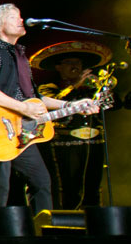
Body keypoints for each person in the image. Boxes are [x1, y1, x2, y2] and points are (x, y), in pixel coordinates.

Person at [0, 5, 98, 214]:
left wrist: (70, 106)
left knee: (41, 181)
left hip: (21, 130)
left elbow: (35, 98)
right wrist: (23, 107)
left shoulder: (20, 57)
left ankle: (42, 232)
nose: (21, 20)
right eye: (14, 17)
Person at [32, 41, 116, 209]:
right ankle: (68, 220)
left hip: (94, 143)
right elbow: (48, 106)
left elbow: (114, 105)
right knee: (68, 187)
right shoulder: (49, 88)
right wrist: (75, 86)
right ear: (58, 67)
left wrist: (104, 88)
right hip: (65, 145)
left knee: (92, 186)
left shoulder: (91, 90)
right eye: (69, 63)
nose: (75, 66)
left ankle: (93, 221)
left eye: (77, 63)